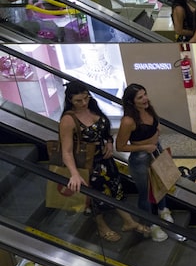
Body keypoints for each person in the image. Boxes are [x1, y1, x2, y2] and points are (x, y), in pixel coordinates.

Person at [60, 82, 148, 243]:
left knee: (116, 190)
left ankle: (128, 221)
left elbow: (105, 131)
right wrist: (74, 174)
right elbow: (66, 151)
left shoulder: (93, 107)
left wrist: (108, 142)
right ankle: (102, 227)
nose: (84, 103)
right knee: (95, 197)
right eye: (79, 100)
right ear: (70, 100)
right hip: (88, 165)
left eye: (86, 98)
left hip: (105, 161)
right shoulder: (68, 119)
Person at [116, 84, 174, 243]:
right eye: (140, 97)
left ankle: (163, 209)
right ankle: (151, 224)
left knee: (161, 182)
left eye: (145, 94)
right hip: (140, 159)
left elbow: (154, 125)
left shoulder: (149, 110)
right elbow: (120, 146)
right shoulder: (128, 121)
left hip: (156, 150)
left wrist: (156, 133)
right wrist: (145, 146)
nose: (145, 99)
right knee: (146, 193)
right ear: (131, 102)